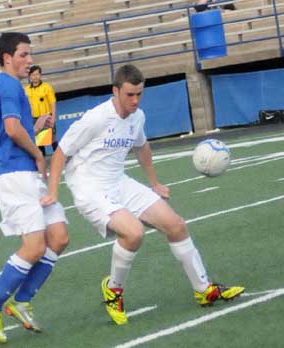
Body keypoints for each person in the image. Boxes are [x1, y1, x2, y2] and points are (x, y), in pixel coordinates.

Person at [41, 64, 244, 325]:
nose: (135, 100)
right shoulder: (96, 118)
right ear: (115, 91)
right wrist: (53, 191)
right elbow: (60, 153)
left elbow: (142, 147)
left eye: (139, 94)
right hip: (89, 187)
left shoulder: (137, 117)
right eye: (129, 95)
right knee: (134, 232)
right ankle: (113, 290)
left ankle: (204, 290)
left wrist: (154, 183)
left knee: (176, 225)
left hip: (118, 182)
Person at [0, 32, 69, 343]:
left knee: (58, 237)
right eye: (24, 55)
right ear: (7, 59)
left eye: (30, 55)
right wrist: (36, 155)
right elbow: (12, 130)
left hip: (22, 172)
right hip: (16, 175)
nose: (30, 61)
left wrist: (34, 126)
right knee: (34, 247)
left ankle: (22, 300)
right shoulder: (10, 85)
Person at [25, 65, 58, 156]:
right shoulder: (26, 90)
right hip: (35, 119)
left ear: (40, 75)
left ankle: (60, 159)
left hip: (46, 118)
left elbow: (52, 103)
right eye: (33, 75)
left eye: (37, 74)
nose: (35, 77)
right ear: (30, 76)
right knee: (39, 143)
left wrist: (53, 118)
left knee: (53, 141)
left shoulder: (47, 87)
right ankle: (43, 164)